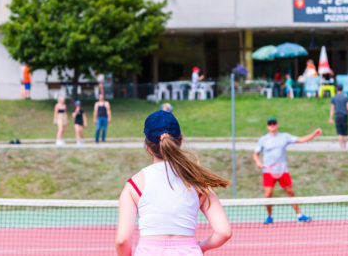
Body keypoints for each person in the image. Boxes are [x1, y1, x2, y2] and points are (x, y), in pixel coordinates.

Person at [115, 110, 231, 256]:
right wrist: (201, 247)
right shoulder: (197, 182)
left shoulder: (134, 185)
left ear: (148, 147)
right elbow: (224, 232)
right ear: (180, 142)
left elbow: (122, 240)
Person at [252, 118, 322, 224]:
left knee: (290, 192)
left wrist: (313, 135)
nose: (272, 125)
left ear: (277, 125)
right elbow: (255, 154)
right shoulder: (263, 139)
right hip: (268, 172)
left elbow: (301, 140)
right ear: (267, 126)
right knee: (268, 195)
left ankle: (299, 215)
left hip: (282, 170)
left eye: (274, 123)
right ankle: (269, 216)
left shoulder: (284, 137)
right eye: (270, 124)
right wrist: (258, 162)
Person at [329, 84, 348, 150]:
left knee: (339, 132)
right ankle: (345, 147)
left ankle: (341, 147)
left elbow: (332, 109)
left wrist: (330, 118)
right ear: (342, 89)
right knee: (345, 132)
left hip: (337, 116)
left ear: (336, 89)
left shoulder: (334, 97)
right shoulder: (345, 97)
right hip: (344, 115)